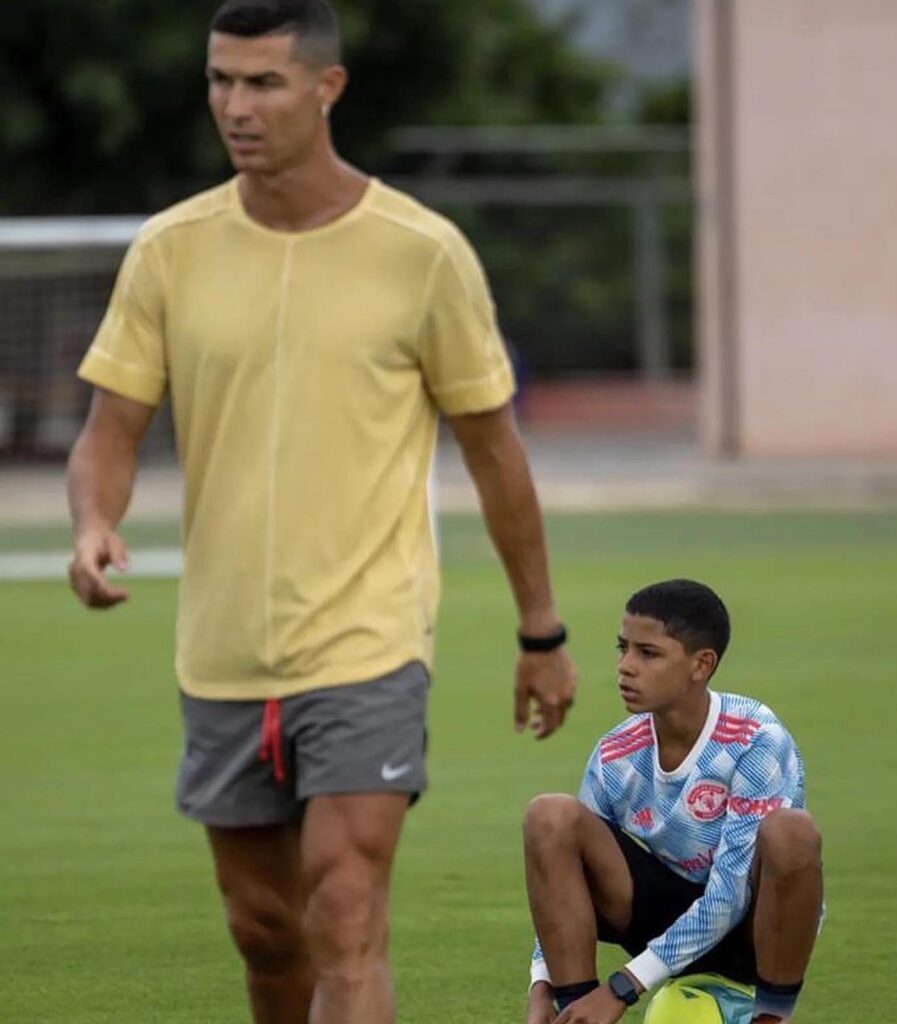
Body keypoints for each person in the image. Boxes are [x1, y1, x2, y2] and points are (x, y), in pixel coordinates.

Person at [65, 3, 577, 1023]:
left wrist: (540, 629)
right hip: (218, 650)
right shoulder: (170, 250)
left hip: (367, 640)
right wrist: (93, 522)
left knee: (346, 911)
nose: (235, 107)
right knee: (265, 933)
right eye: (221, 81)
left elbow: (492, 452)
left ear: (326, 87)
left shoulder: (421, 252)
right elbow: (110, 431)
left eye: (263, 83)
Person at [523, 580, 822, 1024]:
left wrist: (622, 987)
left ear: (701, 665)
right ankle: (574, 1015)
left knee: (791, 832)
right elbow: (563, 879)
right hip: (661, 918)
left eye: (648, 653)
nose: (625, 667)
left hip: (754, 927)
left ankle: (770, 1018)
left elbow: (730, 893)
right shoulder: (616, 753)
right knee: (550, 816)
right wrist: (540, 987)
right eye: (622, 648)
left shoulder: (756, 739)